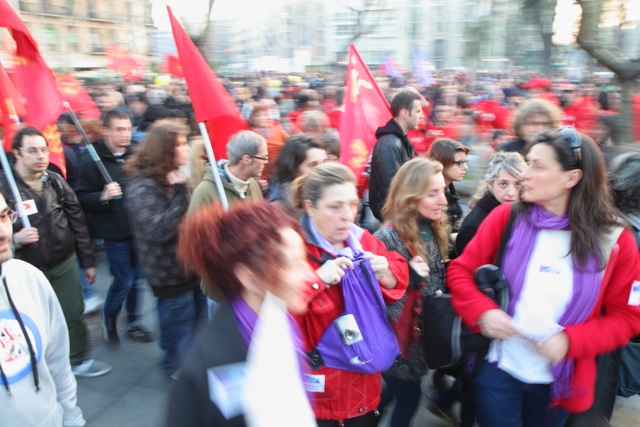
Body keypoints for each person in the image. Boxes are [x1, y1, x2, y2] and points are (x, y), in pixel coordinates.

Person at [448, 128, 640, 426]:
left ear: (571, 178)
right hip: (498, 370)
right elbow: (460, 271)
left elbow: (628, 317)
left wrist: (569, 341)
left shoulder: (616, 240)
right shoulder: (506, 218)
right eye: (528, 163)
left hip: (561, 384)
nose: (525, 175)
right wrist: (483, 312)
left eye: (538, 166)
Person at [166, 202, 317, 426]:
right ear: (250, 278)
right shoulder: (210, 363)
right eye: (291, 264)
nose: (310, 275)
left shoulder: (277, 318)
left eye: (303, 259)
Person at [292, 162, 409, 426]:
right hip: (319, 399)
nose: (348, 216)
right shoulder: (292, 250)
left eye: (353, 204)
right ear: (310, 207)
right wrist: (316, 281)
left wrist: (386, 271)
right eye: (335, 207)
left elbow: (398, 273)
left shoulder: (362, 239)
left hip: (364, 389)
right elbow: (272, 318)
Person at [0, 127, 111, 378]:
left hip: (63, 263)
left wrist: (88, 260)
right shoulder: (4, 187)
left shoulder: (55, 181)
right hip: (24, 268)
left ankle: (78, 359)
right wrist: (15, 239)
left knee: (72, 312)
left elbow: (77, 221)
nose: (41, 155)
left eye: (44, 149)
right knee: (31, 320)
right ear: (17, 153)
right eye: (32, 150)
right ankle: (37, 368)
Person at [124, 122, 207, 377]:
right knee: (179, 324)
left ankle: (191, 363)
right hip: (169, 272)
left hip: (191, 268)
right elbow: (158, 230)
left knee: (197, 323)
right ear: (164, 150)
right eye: (179, 144)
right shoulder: (143, 187)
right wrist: (183, 193)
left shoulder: (173, 178)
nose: (185, 149)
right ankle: (176, 368)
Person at [373, 158, 450, 427]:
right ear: (410, 196)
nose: (443, 200)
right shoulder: (387, 237)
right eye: (433, 193)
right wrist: (410, 277)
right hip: (400, 342)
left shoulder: (434, 227)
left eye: (443, 191)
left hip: (420, 338)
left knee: (391, 393)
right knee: (409, 396)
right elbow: (377, 303)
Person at [0, 193, 86, 427]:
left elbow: (58, 362)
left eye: (4, 216)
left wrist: (72, 418)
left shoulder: (29, 279)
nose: (3, 232)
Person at [76, 109, 154, 347]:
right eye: (119, 129)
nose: (125, 134)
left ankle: (133, 322)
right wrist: (102, 196)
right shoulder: (91, 161)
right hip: (114, 234)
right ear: (105, 131)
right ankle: (109, 319)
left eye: (128, 128)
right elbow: (79, 197)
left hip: (137, 231)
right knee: (124, 281)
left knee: (138, 281)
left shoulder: (135, 155)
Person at [455, 151, 527, 255]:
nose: (511, 193)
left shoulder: (526, 213)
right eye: (503, 184)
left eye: (517, 184)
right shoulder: (474, 225)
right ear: (490, 184)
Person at [369, 89, 424, 221]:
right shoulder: (390, 144)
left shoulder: (400, 141)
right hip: (395, 218)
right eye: (418, 111)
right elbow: (391, 188)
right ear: (405, 113)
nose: (422, 116)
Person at [188, 130, 265, 217]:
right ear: (246, 159)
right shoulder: (205, 192)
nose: (266, 162)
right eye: (263, 157)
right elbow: (195, 229)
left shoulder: (253, 185)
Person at [268, 134, 327, 212]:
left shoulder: (328, 192)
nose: (323, 169)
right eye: (313, 165)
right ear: (294, 169)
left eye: (325, 162)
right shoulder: (279, 208)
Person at [427, 138, 469, 234]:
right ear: (442, 162)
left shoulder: (450, 190)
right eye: (460, 163)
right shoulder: (428, 198)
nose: (465, 167)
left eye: (466, 162)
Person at [499, 99, 563, 156]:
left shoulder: (559, 150)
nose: (540, 129)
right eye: (533, 124)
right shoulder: (508, 150)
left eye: (545, 124)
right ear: (520, 125)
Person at [248, 103, 289, 182]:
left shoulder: (277, 129)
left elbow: (290, 142)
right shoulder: (249, 134)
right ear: (250, 118)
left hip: (278, 172)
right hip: (259, 176)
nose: (262, 118)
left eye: (265, 115)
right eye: (257, 115)